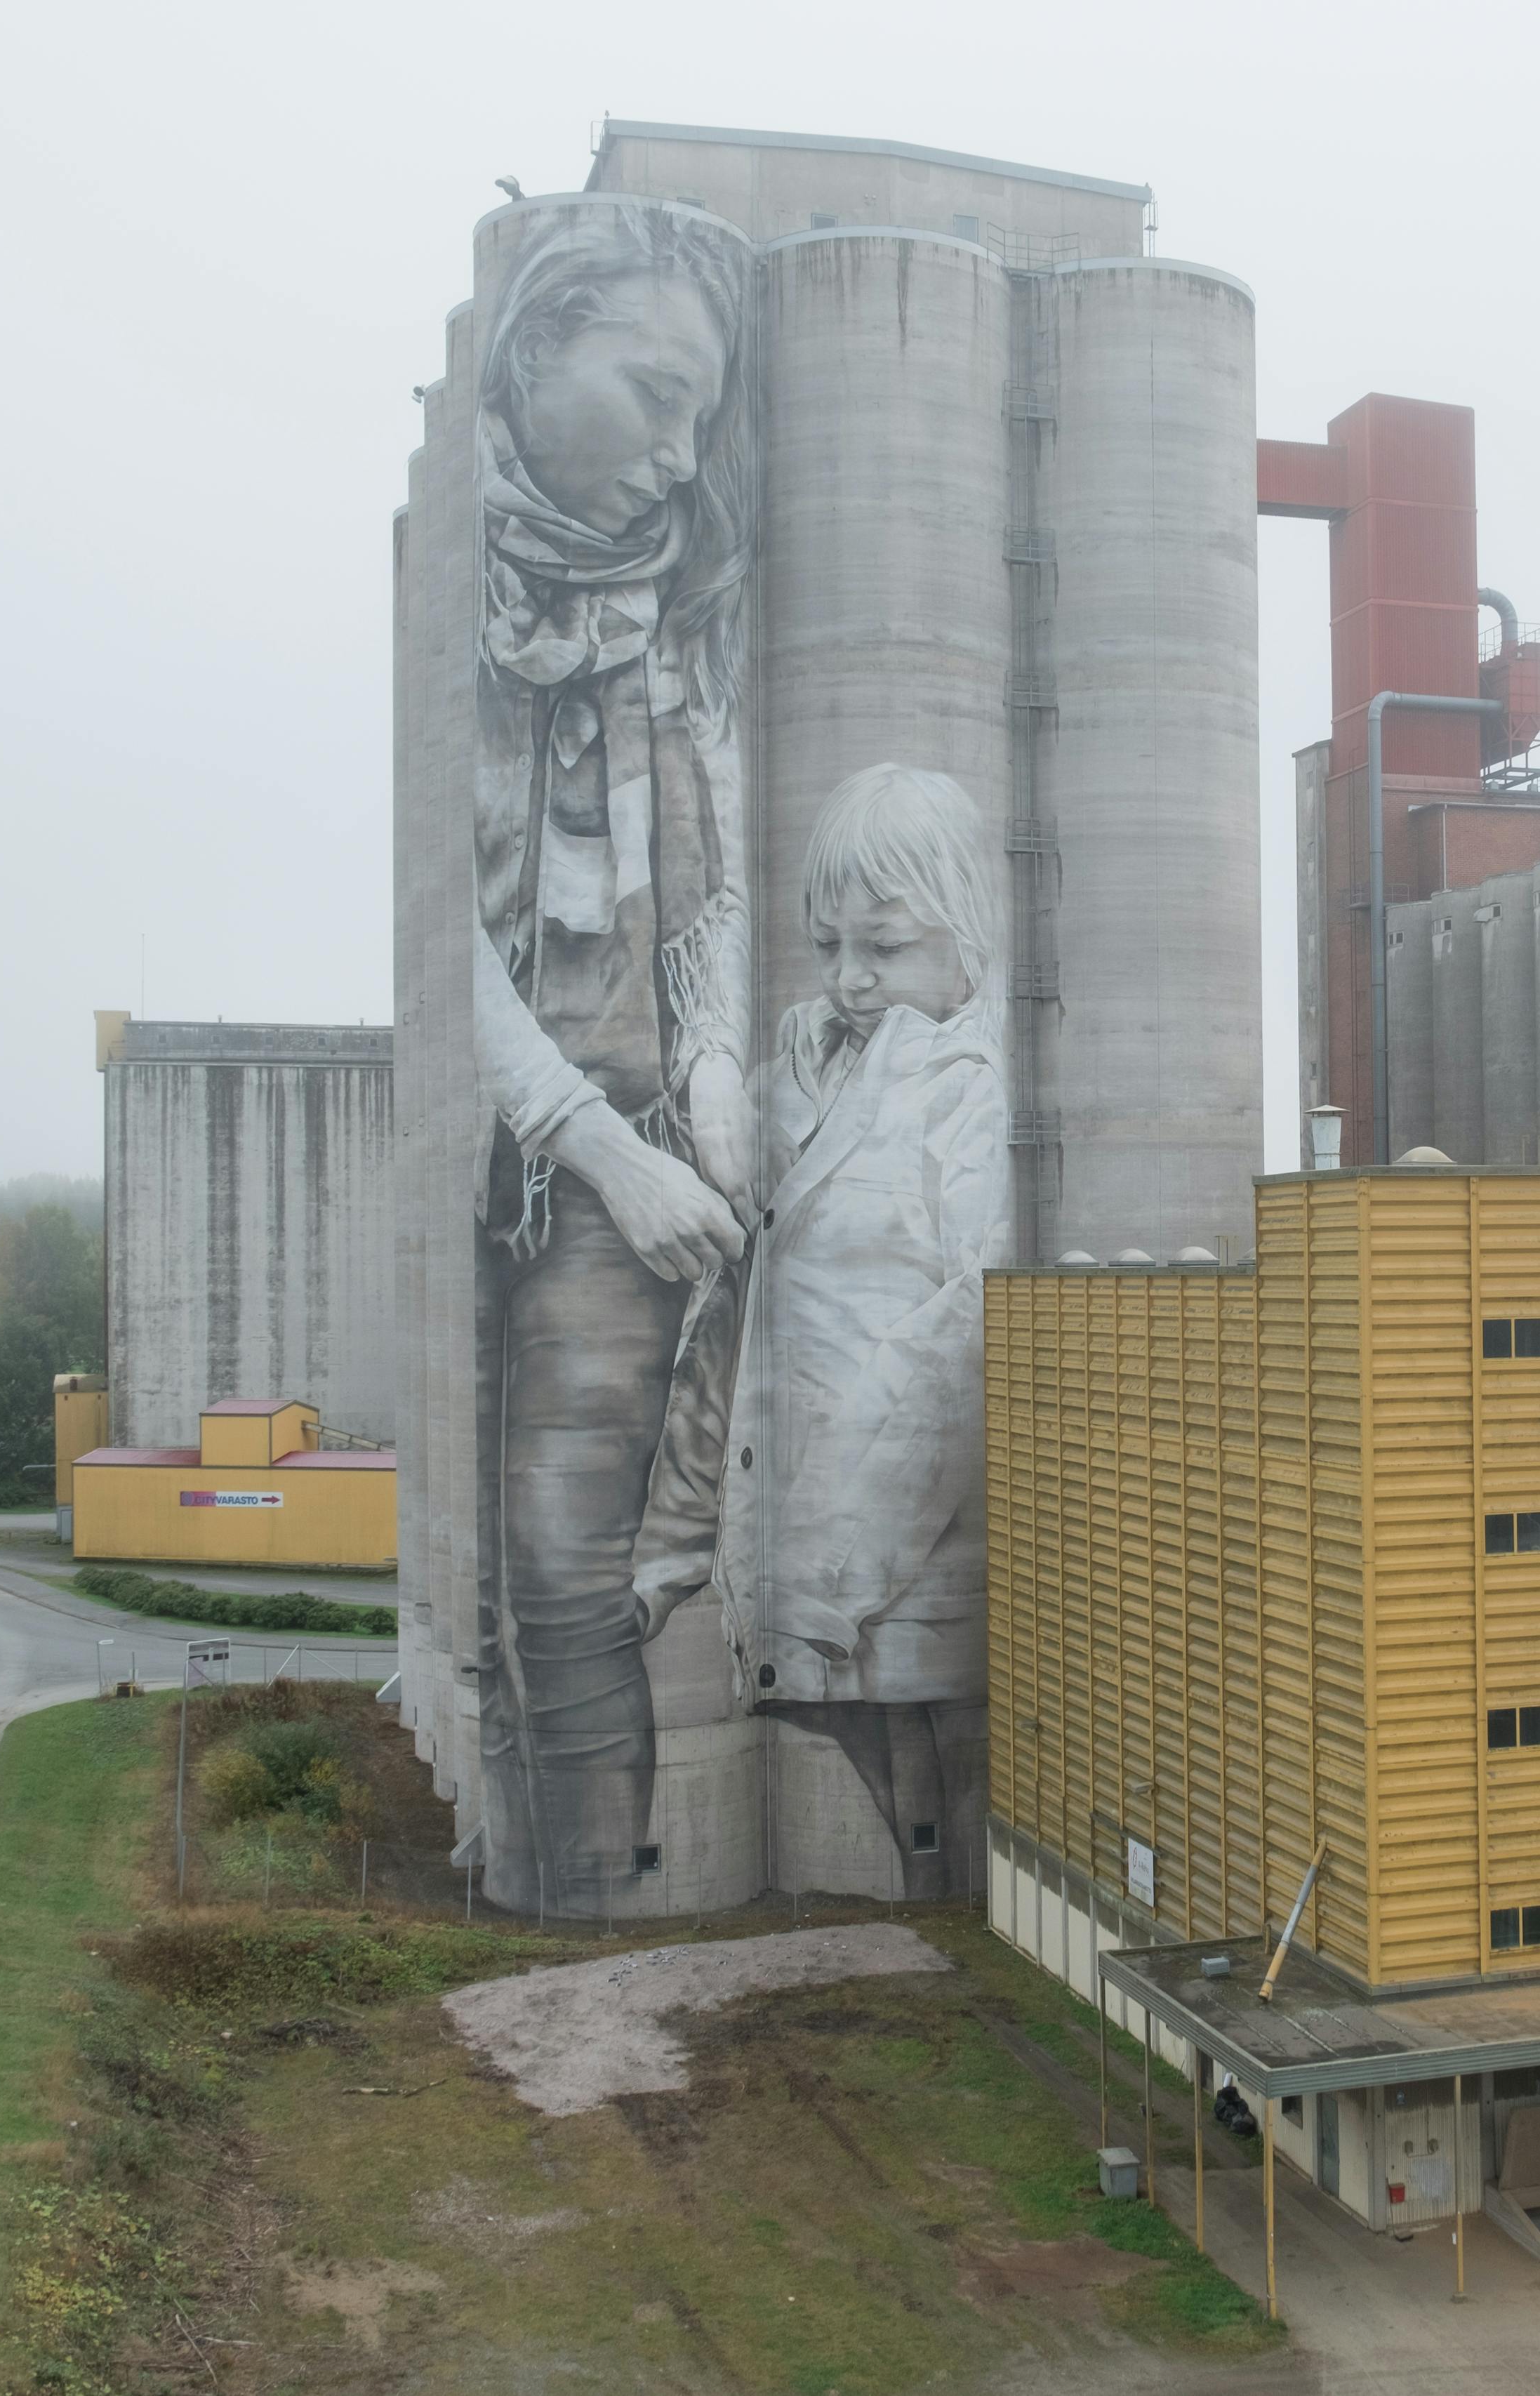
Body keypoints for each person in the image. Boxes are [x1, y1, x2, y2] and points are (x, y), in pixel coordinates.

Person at [466, 200, 759, 1920]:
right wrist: (602, 1148)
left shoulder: (681, 610)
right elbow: (457, 953)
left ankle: (652, 1873)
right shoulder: (472, 610)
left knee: (701, 1559)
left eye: (705, 420)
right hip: (552, 1176)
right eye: (652, 396)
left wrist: (714, 1071)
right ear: (532, 346)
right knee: (562, 1576)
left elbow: (707, 891)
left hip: (676, 1143)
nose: (678, 455)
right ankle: (595, 1897)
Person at [717, 764, 1012, 1898]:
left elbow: (962, 1339)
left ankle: (972, 1935)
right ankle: (945, 1925)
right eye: (829, 945)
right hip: (805, 1538)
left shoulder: (967, 1097)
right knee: (892, 1790)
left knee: (939, 1782)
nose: (849, 978)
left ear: (964, 945)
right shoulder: (800, 1071)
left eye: (884, 949)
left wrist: (830, 1568)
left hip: (901, 1556)